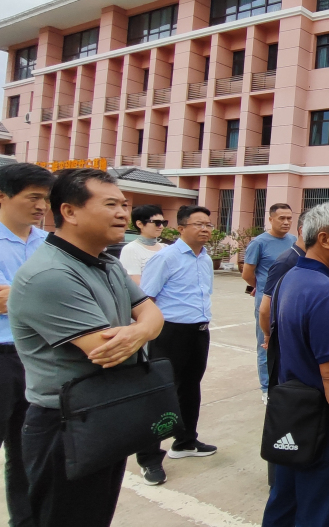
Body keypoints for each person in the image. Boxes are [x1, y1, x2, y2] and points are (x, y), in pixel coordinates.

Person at [8, 168, 164, 527]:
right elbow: (108, 351)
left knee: (95, 515)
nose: (123, 213)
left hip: (104, 413)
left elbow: (154, 314)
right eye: (110, 205)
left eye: (124, 205)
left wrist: (139, 331)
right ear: (70, 211)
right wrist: (143, 331)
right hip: (65, 425)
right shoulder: (50, 275)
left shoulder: (106, 263)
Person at [262, 202, 329, 527]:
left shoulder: (291, 278)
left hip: (292, 413)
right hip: (322, 421)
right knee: (320, 513)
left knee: (285, 503)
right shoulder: (323, 292)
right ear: (324, 239)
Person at [134, 205, 217, 486]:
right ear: (181, 228)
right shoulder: (165, 258)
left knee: (190, 387)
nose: (205, 229)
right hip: (170, 333)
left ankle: (185, 441)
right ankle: (148, 458)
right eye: (198, 224)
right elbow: (146, 299)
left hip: (198, 331)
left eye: (208, 224)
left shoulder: (205, 258)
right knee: (161, 393)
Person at [0, 163, 55, 527]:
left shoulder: (48, 243)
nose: (41, 206)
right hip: (1, 354)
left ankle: (24, 520)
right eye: (33, 197)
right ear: (2, 197)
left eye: (46, 199)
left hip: (37, 356)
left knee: (26, 450)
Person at [243, 204, 296, 402]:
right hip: (267, 302)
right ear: (271, 219)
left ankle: (285, 383)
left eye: (289, 218)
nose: (286, 222)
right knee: (265, 344)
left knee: (288, 343)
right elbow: (247, 273)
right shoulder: (259, 243)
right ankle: (267, 388)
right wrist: (261, 288)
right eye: (282, 218)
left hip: (290, 299)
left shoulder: (294, 241)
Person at [258, 212, 308, 349]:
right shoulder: (286, 262)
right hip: (285, 336)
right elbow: (265, 308)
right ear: (302, 231)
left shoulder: (307, 257)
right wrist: (269, 335)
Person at [119, 204, 166, 284]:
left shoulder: (166, 248)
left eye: (163, 222)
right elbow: (135, 283)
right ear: (140, 224)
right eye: (157, 223)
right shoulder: (131, 249)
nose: (161, 226)